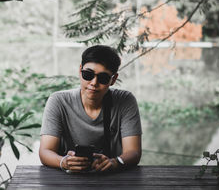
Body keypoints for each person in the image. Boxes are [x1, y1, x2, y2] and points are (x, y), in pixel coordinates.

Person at [39, 45, 142, 173]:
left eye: (103, 78)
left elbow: (133, 151)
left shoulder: (125, 100)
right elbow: (45, 151)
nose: (94, 82)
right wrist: (64, 162)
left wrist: (115, 162)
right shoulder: (59, 101)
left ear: (113, 79)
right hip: (67, 178)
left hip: (111, 178)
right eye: (88, 74)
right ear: (80, 70)